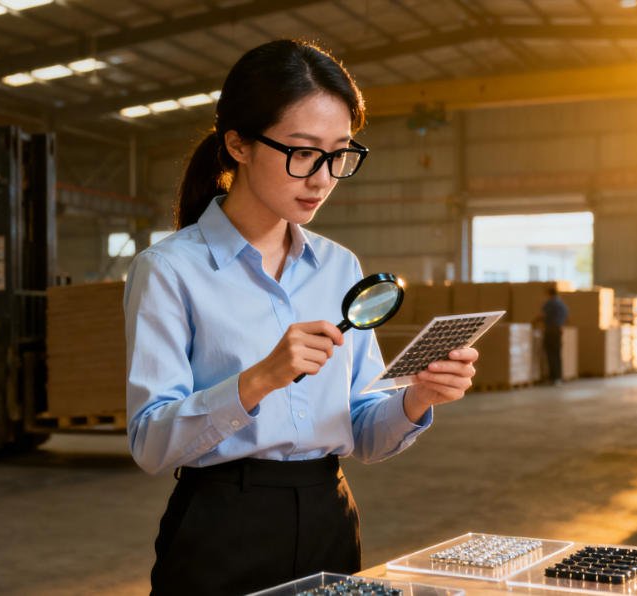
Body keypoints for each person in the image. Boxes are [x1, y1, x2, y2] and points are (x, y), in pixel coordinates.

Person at [123, 40, 480, 595]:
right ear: (238, 144)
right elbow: (151, 442)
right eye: (303, 152)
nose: (322, 178)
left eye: (339, 154)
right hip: (220, 526)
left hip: (328, 517)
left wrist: (417, 399)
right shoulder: (170, 269)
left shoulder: (339, 266)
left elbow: (363, 432)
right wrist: (260, 378)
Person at [533, 285, 569, 386]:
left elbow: (542, 315)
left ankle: (553, 377)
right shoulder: (562, 304)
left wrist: (533, 322)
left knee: (550, 354)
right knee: (557, 354)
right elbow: (566, 315)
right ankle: (558, 377)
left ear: (549, 294)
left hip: (550, 330)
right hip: (558, 330)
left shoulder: (550, 303)